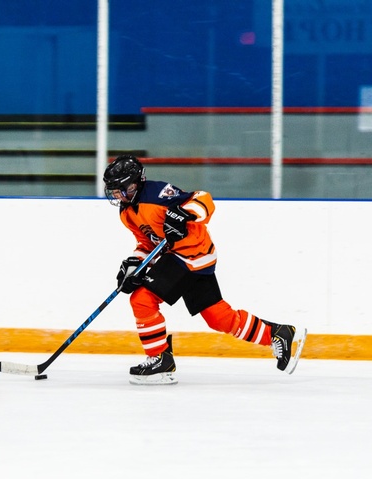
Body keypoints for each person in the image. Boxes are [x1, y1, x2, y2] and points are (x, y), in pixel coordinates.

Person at [103, 155, 306, 385]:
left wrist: (182, 213)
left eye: (122, 189)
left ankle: (159, 359)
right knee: (218, 317)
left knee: (142, 299)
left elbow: (204, 200)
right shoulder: (126, 213)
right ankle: (279, 334)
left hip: (191, 254)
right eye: (114, 191)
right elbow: (148, 244)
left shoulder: (157, 194)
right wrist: (135, 265)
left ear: (136, 182)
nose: (118, 195)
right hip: (193, 259)